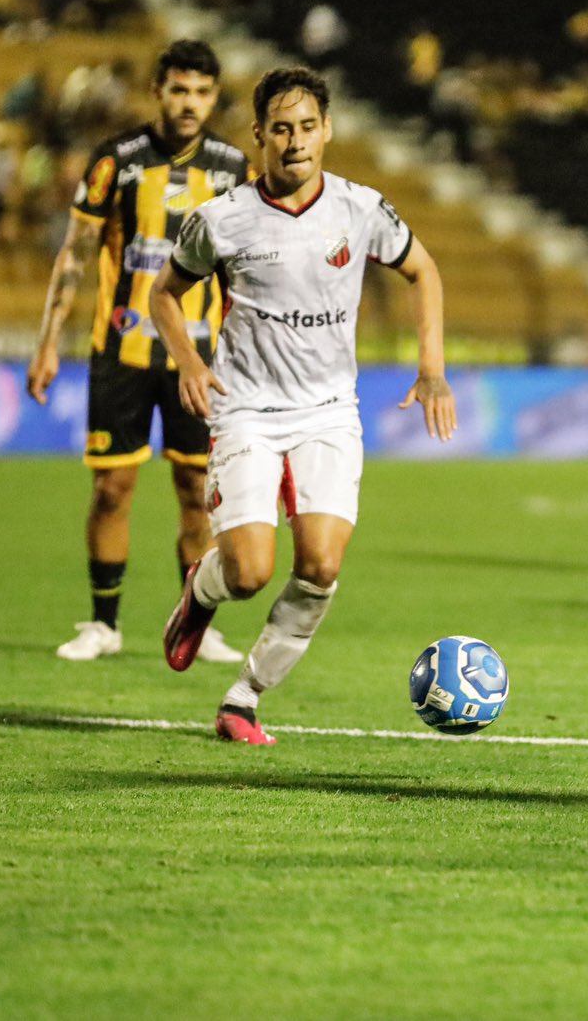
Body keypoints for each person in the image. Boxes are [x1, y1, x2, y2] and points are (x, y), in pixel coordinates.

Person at [159, 67, 457, 745]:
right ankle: (199, 595)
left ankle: (244, 698)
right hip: (246, 411)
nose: (296, 142)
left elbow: (423, 269)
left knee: (320, 565)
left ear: (328, 132)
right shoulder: (222, 220)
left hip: (327, 411)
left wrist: (432, 368)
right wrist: (190, 361)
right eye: (282, 129)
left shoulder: (359, 208)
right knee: (248, 573)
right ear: (259, 135)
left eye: (309, 128)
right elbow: (164, 293)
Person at [26, 40, 247, 665]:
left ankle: (195, 626)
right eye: (179, 89)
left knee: (196, 489)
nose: (190, 103)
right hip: (119, 353)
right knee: (112, 491)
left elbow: (243, 268)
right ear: (158, 91)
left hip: (197, 360)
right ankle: (103, 624)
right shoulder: (116, 162)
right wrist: (48, 342)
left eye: (202, 92)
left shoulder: (232, 170)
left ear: (213, 97)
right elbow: (75, 252)